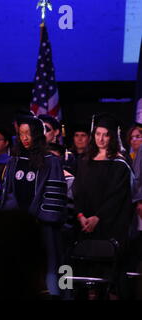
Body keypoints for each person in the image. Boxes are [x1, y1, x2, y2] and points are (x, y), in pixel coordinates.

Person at [1, 114, 67, 296]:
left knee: (50, 265)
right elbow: (9, 192)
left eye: (29, 134)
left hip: (44, 224)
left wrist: (36, 217)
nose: (25, 138)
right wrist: (17, 218)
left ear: (37, 135)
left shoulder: (51, 161)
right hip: (19, 226)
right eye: (21, 134)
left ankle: (56, 295)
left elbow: (54, 193)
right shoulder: (13, 160)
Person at [73, 113, 135, 298]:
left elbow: (117, 197)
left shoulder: (119, 164)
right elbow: (78, 193)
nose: (100, 139)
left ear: (112, 137)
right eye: (97, 133)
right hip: (84, 225)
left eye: (105, 134)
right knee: (88, 278)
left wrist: (97, 217)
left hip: (110, 225)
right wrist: (81, 215)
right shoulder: (84, 161)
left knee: (109, 277)